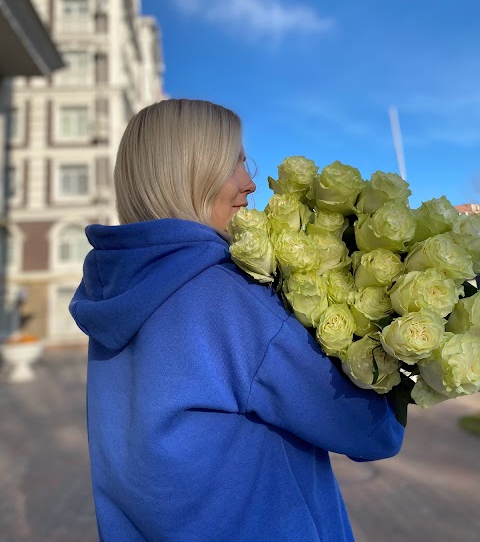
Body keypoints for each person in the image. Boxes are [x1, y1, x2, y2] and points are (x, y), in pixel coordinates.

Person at [70, 99, 404, 542]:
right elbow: (367, 431)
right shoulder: (223, 295)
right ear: (190, 171)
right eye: (235, 163)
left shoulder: (116, 288)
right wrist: (399, 341)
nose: (249, 183)